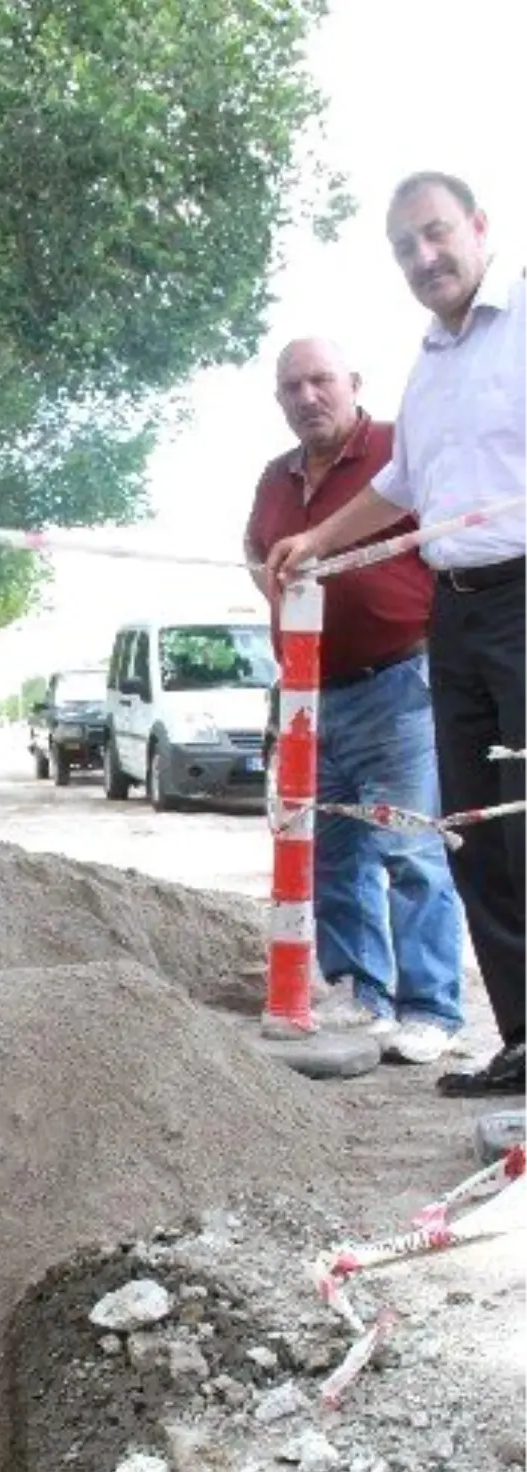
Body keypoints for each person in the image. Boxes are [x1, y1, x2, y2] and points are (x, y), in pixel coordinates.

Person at [267, 173, 527, 1097]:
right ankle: (522, 1041)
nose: (425, 259)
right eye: (405, 247)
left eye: (436, 234)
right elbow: (402, 491)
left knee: (519, 823)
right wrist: (317, 542)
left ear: (480, 227)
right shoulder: (433, 364)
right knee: (471, 837)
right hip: (455, 617)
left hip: (520, 601)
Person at [247, 338, 463, 1064]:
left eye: (320, 381)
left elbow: (451, 537)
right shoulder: (275, 478)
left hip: (397, 684)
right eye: (291, 387)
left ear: (354, 384)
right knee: (332, 856)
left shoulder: (397, 453)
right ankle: (359, 993)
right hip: (311, 694)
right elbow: (258, 554)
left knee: (410, 847)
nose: (307, 397)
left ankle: (430, 1009)